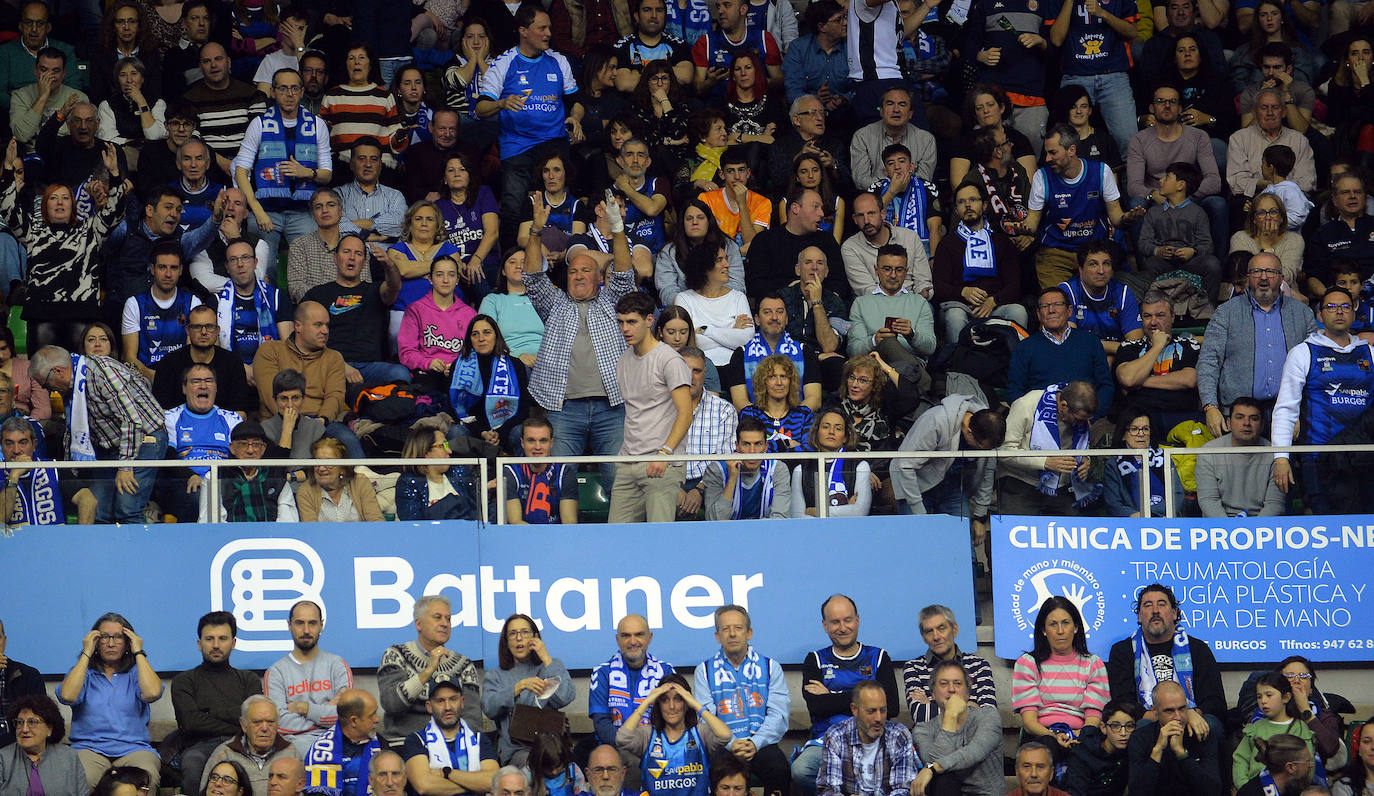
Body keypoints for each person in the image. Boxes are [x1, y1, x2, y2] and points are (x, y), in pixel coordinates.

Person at [522, 191, 636, 491]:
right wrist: (536, 231)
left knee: (619, 481)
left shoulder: (613, 302)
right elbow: (533, 277)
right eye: (573, 271)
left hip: (612, 407)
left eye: (586, 270)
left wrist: (618, 228)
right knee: (559, 482)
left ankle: (624, 537)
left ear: (599, 277)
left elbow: (624, 274)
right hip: (563, 408)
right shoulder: (555, 303)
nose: (579, 276)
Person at [1, 140, 124, 351]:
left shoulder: (90, 229)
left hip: (81, 314)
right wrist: (8, 169)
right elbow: (7, 209)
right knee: (42, 375)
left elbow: (115, 211)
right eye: (54, 198)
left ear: (73, 205)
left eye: (65, 198)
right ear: (45, 205)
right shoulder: (33, 231)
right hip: (42, 315)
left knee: (78, 375)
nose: (60, 202)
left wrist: (114, 174)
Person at [476, 4, 583, 239]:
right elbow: (480, 108)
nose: (548, 34)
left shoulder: (558, 60)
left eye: (550, 28)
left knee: (561, 204)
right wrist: (501, 104)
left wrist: (575, 117)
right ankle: (511, 263)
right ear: (523, 31)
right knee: (514, 208)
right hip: (517, 146)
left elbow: (576, 100)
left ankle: (567, 253)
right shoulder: (504, 63)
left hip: (554, 142)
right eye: (542, 28)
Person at [29, 345, 167, 524]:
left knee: (128, 508)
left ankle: (136, 552)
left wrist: (125, 466)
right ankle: (103, 552)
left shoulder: (103, 373)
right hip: (108, 446)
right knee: (98, 508)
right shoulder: (72, 383)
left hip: (144, 439)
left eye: (46, 384)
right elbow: (75, 428)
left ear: (58, 371)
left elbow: (132, 420)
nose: (49, 391)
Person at [1270, 286, 1374, 513]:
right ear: (1320, 315)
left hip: (1366, 459)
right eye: (1332, 307)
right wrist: (1281, 458)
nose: (1339, 312)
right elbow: (1286, 410)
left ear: (1354, 314)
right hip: (1319, 460)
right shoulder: (1303, 352)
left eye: (1346, 307)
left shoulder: (1370, 354)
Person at [1197, 252, 1317, 437]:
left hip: (1289, 413)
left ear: (1281, 278)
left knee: (1285, 466)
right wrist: (1210, 407)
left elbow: (1314, 367)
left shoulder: (1302, 313)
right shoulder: (1226, 312)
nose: (1263, 277)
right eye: (1256, 272)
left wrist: (1302, 410)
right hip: (1238, 416)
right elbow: (1208, 361)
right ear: (1247, 278)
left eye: (1270, 271)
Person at [791, 596, 899, 796]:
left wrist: (832, 696)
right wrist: (867, 698)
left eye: (847, 620)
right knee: (801, 769)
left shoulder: (878, 657)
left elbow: (891, 706)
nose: (842, 627)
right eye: (835, 622)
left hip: (874, 740)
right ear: (825, 625)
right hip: (826, 741)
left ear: (857, 620)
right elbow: (817, 706)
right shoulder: (815, 660)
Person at [608, 292, 693, 523]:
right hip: (628, 463)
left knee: (659, 541)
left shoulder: (670, 360)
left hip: (661, 463)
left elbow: (686, 413)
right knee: (616, 540)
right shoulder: (623, 359)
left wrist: (665, 454)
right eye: (621, 322)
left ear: (649, 320)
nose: (625, 328)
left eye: (631, 322)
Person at [1022, 125, 1141, 289]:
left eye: (1053, 152)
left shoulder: (1101, 172)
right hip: (1055, 253)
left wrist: (1127, 218)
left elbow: (1116, 218)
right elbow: (1032, 223)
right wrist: (1020, 228)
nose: (1047, 158)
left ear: (1071, 150)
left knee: (1098, 302)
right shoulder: (1041, 176)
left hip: (1093, 251)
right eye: (1047, 152)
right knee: (1056, 305)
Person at [57, 613, 163, 789]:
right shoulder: (83, 673)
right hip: (89, 749)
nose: (111, 643)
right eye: (104, 637)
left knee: (144, 779)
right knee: (83, 779)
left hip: (133, 749)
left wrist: (138, 651)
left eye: (118, 637)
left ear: (128, 642)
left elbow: (152, 692)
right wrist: (86, 653)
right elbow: (68, 696)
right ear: (95, 641)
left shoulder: (137, 672)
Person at [693, 605, 790, 796]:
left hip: (761, 744)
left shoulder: (771, 667)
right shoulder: (704, 671)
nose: (732, 634)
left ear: (749, 633)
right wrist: (731, 743)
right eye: (725, 629)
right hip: (724, 747)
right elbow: (706, 717)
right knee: (710, 771)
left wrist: (756, 743)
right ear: (717, 636)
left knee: (779, 769)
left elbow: (778, 715)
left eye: (738, 628)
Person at [1105, 584, 1226, 732]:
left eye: (1161, 604)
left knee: (1211, 725)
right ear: (1139, 616)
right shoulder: (1123, 651)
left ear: (1174, 613)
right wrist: (1162, 716)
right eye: (1148, 605)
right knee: (1142, 728)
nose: (1155, 611)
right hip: (1148, 720)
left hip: (1191, 718)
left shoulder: (1198, 649)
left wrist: (1188, 713)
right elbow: (1123, 701)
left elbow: (1216, 701)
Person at [1125, 84, 1226, 256]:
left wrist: (1184, 198)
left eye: (1172, 101)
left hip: (1190, 197)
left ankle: (1219, 268)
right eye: (1161, 101)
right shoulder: (1139, 140)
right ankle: (1145, 270)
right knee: (1136, 204)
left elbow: (1214, 181)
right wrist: (1153, 195)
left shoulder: (1198, 136)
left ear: (1180, 108)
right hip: (1157, 199)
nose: (1166, 105)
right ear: (1151, 108)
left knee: (1218, 204)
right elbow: (1134, 186)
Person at [171, 612, 264, 791]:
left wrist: (210, 712)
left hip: (243, 744)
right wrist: (238, 720)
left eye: (222, 638)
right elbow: (190, 723)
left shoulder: (249, 680)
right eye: (209, 639)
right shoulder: (184, 681)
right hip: (200, 746)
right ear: (199, 644)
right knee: (192, 764)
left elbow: (254, 721)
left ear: (233, 643)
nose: (215, 645)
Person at [301, 233, 407, 387]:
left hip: (370, 368)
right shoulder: (317, 294)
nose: (352, 257)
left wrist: (389, 265)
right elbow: (305, 337)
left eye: (358, 254)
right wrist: (340, 365)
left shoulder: (375, 290)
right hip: (330, 365)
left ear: (364, 263)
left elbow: (394, 286)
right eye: (346, 252)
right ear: (335, 258)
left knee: (400, 374)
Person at [1011, 595, 1109, 757]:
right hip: (1041, 735)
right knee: (1047, 747)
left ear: (1076, 627)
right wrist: (1054, 737)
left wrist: (1076, 735)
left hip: (1081, 735)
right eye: (1053, 624)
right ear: (1043, 630)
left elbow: (1093, 718)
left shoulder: (1093, 664)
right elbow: (1029, 722)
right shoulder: (1027, 663)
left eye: (1066, 623)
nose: (1060, 631)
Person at [378, 595, 482, 745]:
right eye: (437, 618)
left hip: (452, 746)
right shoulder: (396, 655)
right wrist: (428, 671)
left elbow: (473, 718)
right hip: (404, 743)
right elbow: (392, 704)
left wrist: (453, 744)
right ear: (419, 624)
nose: (445, 624)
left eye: (448, 619)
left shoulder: (464, 664)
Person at [931, 181, 1027, 341]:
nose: (967, 205)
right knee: (955, 315)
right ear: (956, 210)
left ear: (984, 205)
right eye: (961, 202)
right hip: (960, 306)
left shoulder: (1001, 242)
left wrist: (994, 301)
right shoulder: (947, 244)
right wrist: (963, 292)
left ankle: (1014, 363)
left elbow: (1015, 284)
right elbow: (939, 287)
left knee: (1018, 311)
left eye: (973, 200)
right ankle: (957, 363)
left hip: (995, 306)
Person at [616, 673, 733, 796]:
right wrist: (647, 702)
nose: (671, 706)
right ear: (658, 704)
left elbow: (725, 735)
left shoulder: (700, 732)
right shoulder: (648, 734)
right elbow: (622, 738)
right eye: (665, 700)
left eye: (678, 699)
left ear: (686, 702)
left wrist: (695, 704)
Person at [587, 614, 674, 778]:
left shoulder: (666, 671)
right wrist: (631, 747)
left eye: (639, 634)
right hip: (616, 748)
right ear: (617, 640)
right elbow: (602, 724)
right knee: (630, 764)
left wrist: (650, 748)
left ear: (650, 637)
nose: (633, 641)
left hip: (657, 747)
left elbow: (675, 719)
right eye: (626, 636)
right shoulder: (602, 673)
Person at [480, 615, 575, 765]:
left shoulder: (551, 665)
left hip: (552, 746)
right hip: (517, 750)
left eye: (524, 632)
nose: (519, 638)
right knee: (531, 763)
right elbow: (489, 708)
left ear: (535, 637)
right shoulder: (496, 675)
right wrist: (517, 688)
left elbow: (566, 697)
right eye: (512, 633)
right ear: (506, 641)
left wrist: (546, 658)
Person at [891, 396, 1005, 521]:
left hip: (954, 487)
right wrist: (919, 512)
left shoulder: (990, 431)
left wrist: (980, 516)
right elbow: (906, 465)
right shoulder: (936, 421)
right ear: (969, 432)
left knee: (961, 535)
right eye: (980, 448)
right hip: (916, 484)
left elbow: (987, 471)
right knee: (917, 536)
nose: (982, 452)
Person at [998, 380, 1102, 514]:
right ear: (1063, 406)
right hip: (1021, 482)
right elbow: (1003, 451)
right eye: (1078, 419)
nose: (1082, 423)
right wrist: (1044, 462)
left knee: (1072, 530)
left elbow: (1084, 445)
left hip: (1062, 486)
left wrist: (1085, 460)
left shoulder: (1081, 415)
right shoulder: (1028, 404)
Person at [264, 601, 354, 756]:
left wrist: (303, 708)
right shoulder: (275, 673)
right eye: (299, 623)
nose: (306, 630)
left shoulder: (337, 665)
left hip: (338, 748)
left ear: (321, 625)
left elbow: (348, 718)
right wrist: (325, 711)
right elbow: (278, 725)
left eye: (312, 623)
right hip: (294, 754)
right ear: (289, 625)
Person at [1006, 288, 1114, 412]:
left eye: (1057, 304)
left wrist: (1091, 417)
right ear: (1038, 314)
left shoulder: (1090, 342)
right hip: (1039, 418)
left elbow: (1106, 387)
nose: (1051, 310)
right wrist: (1035, 418)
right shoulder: (1025, 347)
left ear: (1069, 311)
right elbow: (1014, 391)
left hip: (1085, 416)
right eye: (1045, 306)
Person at [250, 302, 349, 435]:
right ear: (298, 326)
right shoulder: (270, 350)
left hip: (321, 421)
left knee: (348, 440)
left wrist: (322, 420)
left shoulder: (334, 357)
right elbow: (271, 395)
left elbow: (335, 396)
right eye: (318, 325)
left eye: (327, 325)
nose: (325, 331)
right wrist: (296, 422)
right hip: (277, 420)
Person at [909, 660, 1002, 796]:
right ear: (933, 694)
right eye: (944, 683)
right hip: (945, 791)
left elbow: (974, 753)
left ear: (968, 693)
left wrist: (932, 768)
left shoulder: (988, 716)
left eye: (958, 683)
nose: (951, 689)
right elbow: (937, 763)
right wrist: (950, 717)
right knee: (942, 778)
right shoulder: (922, 730)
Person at [1133, 161, 1222, 301]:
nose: (1161, 181)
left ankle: (1208, 310)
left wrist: (1193, 251)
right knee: (1149, 265)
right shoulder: (1153, 212)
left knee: (1212, 264)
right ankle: (1150, 308)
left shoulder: (1198, 213)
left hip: (1191, 261)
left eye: (1167, 177)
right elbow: (1143, 243)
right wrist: (1158, 251)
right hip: (1163, 261)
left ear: (1181, 185)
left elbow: (1207, 245)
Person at [1113, 291, 1202, 430]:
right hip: (1139, 421)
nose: (1153, 322)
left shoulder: (1187, 344)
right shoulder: (1129, 346)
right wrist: (1157, 346)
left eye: (1160, 315)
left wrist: (1141, 381)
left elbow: (1189, 379)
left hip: (1182, 417)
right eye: (1147, 316)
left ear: (1172, 317)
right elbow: (1128, 379)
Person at [815, 680, 920, 796]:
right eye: (871, 711)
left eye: (883, 710)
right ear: (854, 709)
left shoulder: (899, 736)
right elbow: (828, 789)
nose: (878, 718)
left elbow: (904, 789)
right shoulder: (836, 736)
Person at [401, 674, 498, 795]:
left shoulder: (479, 740)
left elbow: (493, 782)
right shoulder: (416, 740)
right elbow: (424, 785)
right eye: (440, 701)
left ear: (462, 702)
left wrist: (446, 773)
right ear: (429, 707)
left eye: (453, 699)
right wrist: (475, 786)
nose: (447, 707)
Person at [151, 305, 256, 414]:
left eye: (209, 326)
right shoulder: (169, 363)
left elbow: (241, 412)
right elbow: (161, 411)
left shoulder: (233, 362)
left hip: (224, 427)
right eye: (197, 327)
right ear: (187, 330)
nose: (204, 332)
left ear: (217, 330)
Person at [723, 295, 823, 410]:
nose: (774, 317)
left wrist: (791, 419)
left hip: (796, 423)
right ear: (757, 320)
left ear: (786, 319)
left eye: (780, 312)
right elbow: (740, 402)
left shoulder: (804, 351)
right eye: (767, 312)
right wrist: (767, 420)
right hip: (755, 424)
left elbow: (814, 399)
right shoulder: (741, 354)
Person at [184, 43, 268, 178]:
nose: (213, 65)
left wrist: (241, 164)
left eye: (218, 59)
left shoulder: (251, 94)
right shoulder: (190, 99)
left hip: (248, 165)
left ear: (228, 62)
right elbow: (193, 138)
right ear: (200, 67)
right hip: (209, 167)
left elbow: (260, 135)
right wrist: (219, 161)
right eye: (207, 61)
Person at [846, 245, 935, 372]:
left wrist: (911, 335)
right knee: (888, 343)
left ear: (906, 271)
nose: (893, 275)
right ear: (876, 270)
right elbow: (853, 350)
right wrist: (874, 341)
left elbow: (930, 348)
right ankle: (923, 386)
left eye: (899, 270)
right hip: (873, 367)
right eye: (887, 269)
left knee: (891, 344)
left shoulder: (919, 303)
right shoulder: (861, 304)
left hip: (910, 366)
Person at [211, 238, 294, 371]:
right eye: (233, 259)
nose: (240, 264)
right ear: (227, 267)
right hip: (230, 372)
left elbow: (287, 346)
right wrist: (240, 369)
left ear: (255, 263)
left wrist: (263, 372)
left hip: (272, 371)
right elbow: (214, 351)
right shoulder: (216, 301)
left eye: (245, 257)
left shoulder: (277, 297)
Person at [1193, 397, 1283, 517]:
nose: (1246, 423)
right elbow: (1208, 501)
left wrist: (1255, 531)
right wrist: (1230, 530)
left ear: (1262, 425)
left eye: (1254, 418)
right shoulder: (1209, 452)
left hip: (1262, 527)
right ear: (1229, 423)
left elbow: (1275, 504)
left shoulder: (1276, 454)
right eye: (1240, 417)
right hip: (1220, 526)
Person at [1122, 683, 1218, 795]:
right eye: (1169, 711)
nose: (1178, 717)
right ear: (1155, 711)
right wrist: (1157, 751)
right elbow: (1137, 792)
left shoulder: (1202, 735)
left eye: (1182, 709)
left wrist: (1181, 753)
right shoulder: (1140, 738)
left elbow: (1213, 791)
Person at [398, 255, 477, 390]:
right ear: (430, 279)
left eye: (451, 275)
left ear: (457, 279)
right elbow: (406, 352)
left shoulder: (469, 314)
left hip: (460, 374)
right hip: (426, 373)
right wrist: (428, 363)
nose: (445, 280)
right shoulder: (415, 310)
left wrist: (458, 366)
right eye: (439, 275)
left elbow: (475, 352)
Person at [672, 245, 754, 367]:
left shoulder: (738, 297)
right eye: (719, 260)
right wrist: (732, 332)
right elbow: (689, 341)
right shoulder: (684, 299)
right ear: (704, 267)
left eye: (726, 259)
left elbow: (747, 338)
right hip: (699, 368)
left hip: (736, 366)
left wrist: (705, 330)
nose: (727, 265)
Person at [1233, 672, 1319, 788]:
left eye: (1269, 695)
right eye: (1259, 696)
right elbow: (1240, 760)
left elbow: (1308, 764)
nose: (1263, 701)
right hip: (1256, 790)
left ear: (1286, 697)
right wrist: (1245, 787)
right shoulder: (1255, 728)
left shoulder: (1300, 728)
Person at [1226, 89, 1316, 199]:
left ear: (1283, 112)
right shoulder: (1239, 138)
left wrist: (1273, 187)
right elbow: (1236, 182)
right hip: (1251, 199)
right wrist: (1274, 184)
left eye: (1275, 107)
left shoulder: (1299, 140)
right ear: (1254, 113)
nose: (1270, 113)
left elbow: (1307, 182)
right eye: (1264, 108)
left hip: (1290, 199)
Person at [841, 191, 933, 299]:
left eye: (871, 213)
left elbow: (923, 281)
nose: (866, 221)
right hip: (875, 306)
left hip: (912, 301)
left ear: (883, 214)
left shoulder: (910, 237)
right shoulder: (850, 247)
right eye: (861, 215)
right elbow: (866, 290)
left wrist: (922, 295)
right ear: (855, 219)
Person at [198, 696, 298, 795]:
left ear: (278, 724)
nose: (264, 728)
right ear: (243, 725)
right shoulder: (223, 754)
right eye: (257, 722)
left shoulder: (291, 752)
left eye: (270, 722)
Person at [701, 416, 790, 520]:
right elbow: (715, 521)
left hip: (766, 533)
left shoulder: (778, 469)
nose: (752, 451)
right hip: (726, 534)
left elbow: (780, 519)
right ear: (737, 446)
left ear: (766, 446)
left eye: (758, 444)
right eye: (746, 444)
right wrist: (732, 479)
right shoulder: (716, 470)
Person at [0, 692, 87, 796]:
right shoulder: (3, 758)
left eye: (32, 722)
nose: (24, 729)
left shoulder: (69, 757)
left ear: (49, 728)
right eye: (20, 722)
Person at [849, 86, 935, 191]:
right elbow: (861, 181)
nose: (896, 110)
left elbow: (923, 181)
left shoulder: (926, 139)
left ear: (910, 114)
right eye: (890, 104)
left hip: (913, 200)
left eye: (902, 104)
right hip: (875, 199)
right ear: (881, 111)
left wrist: (890, 184)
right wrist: (893, 187)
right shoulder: (862, 136)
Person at [1101, 412, 1185, 517]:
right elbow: (1113, 503)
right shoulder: (1113, 464)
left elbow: (1177, 495)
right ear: (1123, 435)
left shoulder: (1164, 457)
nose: (1141, 434)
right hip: (1131, 523)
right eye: (1134, 429)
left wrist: (1153, 514)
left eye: (1145, 429)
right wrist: (1136, 516)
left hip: (1164, 519)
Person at [303, 689, 382, 796]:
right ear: (354, 721)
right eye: (372, 715)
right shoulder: (322, 751)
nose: (377, 719)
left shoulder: (382, 744)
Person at [1306, 174, 1374, 295]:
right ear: (1335, 200)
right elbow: (1313, 277)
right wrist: (1333, 298)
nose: (1352, 196)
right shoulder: (1323, 234)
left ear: (1365, 197)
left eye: (1357, 192)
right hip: (1338, 301)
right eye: (1346, 192)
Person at [503, 418, 579, 524]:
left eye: (543, 441)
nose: (537, 447)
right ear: (522, 443)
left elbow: (569, 523)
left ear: (551, 443)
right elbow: (516, 523)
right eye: (531, 440)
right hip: (522, 538)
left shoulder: (564, 473)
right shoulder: (510, 473)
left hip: (557, 537)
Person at [1059, 700, 1141, 796]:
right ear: (1103, 728)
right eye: (1115, 726)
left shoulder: (1133, 750)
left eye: (1129, 726)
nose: (1123, 733)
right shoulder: (1082, 755)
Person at [293, 437, 384, 523]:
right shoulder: (305, 491)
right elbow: (310, 531)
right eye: (317, 462)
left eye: (328, 462)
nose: (321, 468)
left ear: (342, 467)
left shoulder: (360, 482)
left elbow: (376, 522)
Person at [395, 428, 477, 521]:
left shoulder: (459, 471)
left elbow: (476, 510)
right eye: (443, 445)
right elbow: (413, 526)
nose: (449, 451)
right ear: (426, 452)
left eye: (447, 444)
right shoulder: (408, 482)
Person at [737, 355, 814, 452]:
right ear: (763, 382)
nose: (779, 383)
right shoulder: (750, 414)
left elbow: (810, 450)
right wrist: (786, 444)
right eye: (772, 377)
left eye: (784, 376)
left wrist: (766, 446)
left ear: (791, 381)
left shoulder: (804, 414)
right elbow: (750, 450)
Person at [0, 415, 63, 529]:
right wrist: (14, 476)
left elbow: (88, 500)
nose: (16, 450)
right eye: (9, 443)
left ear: (34, 445)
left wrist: (79, 537)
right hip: (13, 543)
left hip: (53, 542)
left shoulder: (53, 467)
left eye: (22, 442)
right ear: (1, 447)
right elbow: (1, 520)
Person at [1235, 735, 1315, 796]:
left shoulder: (1296, 789)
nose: (1311, 765)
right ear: (1290, 767)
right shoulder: (1249, 793)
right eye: (1307, 762)